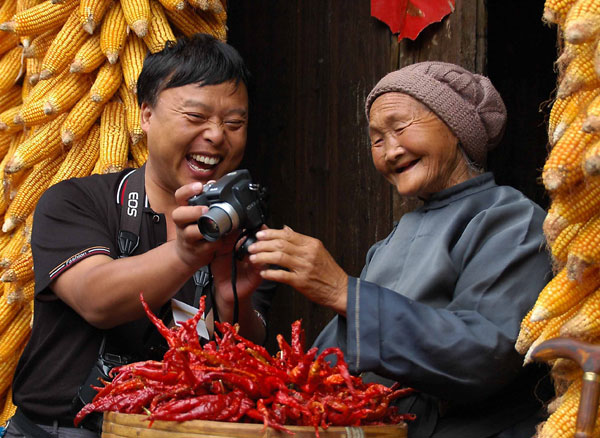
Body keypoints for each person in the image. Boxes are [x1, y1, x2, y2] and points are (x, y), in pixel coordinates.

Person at [247, 61, 553, 438]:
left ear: (455, 127)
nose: (390, 150)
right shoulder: (394, 239)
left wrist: (343, 292)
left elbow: (484, 354)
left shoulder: (512, 220)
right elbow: (335, 355)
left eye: (400, 127)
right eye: (377, 139)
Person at [6, 34, 271, 438]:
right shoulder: (76, 202)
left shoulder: (245, 228)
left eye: (234, 123)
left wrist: (235, 301)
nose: (217, 136)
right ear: (146, 115)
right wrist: (184, 254)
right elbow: (97, 299)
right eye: (196, 117)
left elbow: (248, 368)